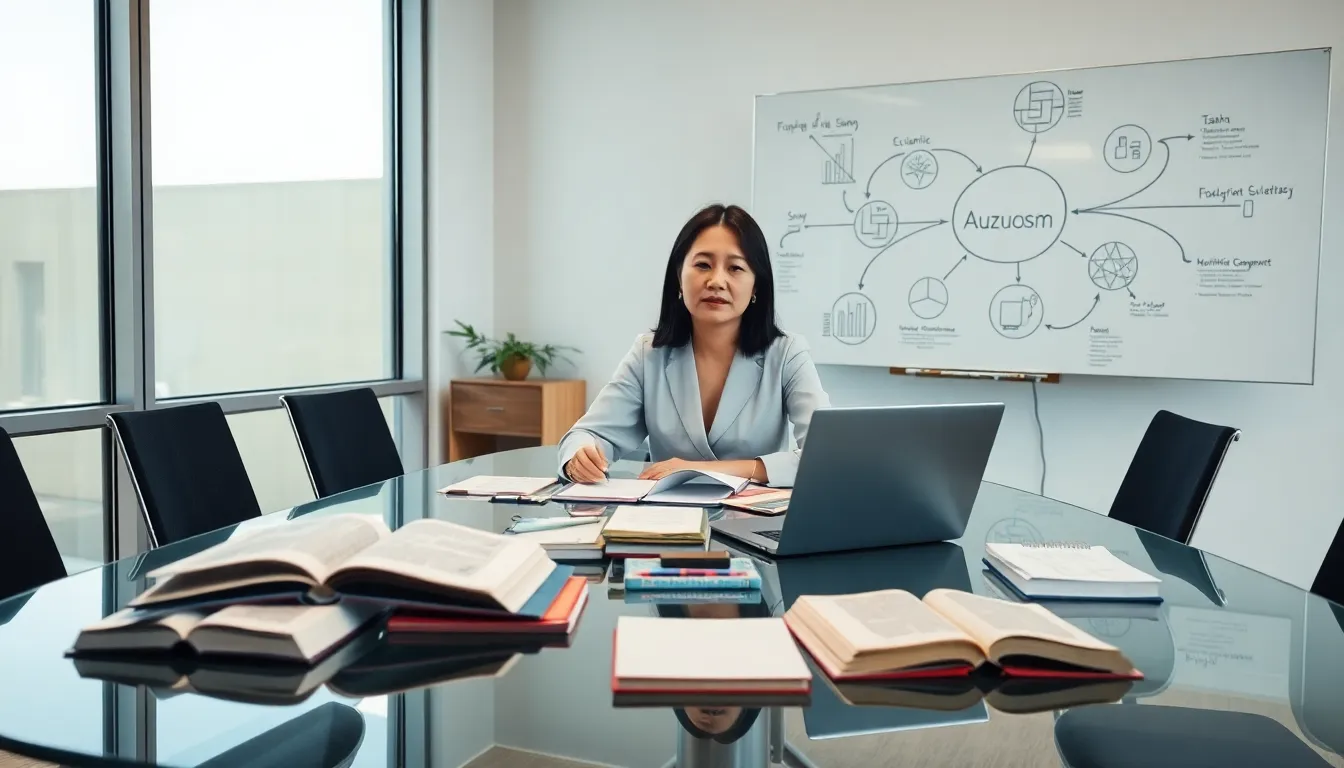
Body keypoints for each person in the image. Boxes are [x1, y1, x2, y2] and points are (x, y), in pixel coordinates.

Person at [557, 203, 829, 487]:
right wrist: (579, 457)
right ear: (679, 276)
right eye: (702, 265)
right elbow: (587, 435)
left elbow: (824, 457)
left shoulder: (787, 353)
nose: (716, 281)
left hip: (754, 525)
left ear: (756, 286)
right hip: (666, 523)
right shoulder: (649, 354)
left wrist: (696, 469)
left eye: (735, 267)